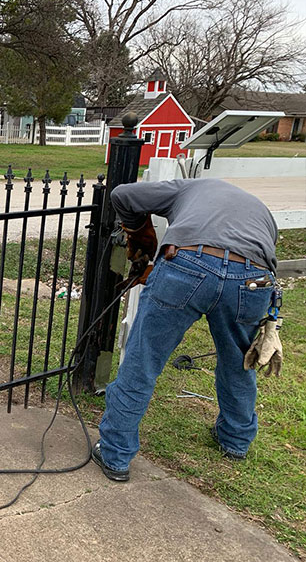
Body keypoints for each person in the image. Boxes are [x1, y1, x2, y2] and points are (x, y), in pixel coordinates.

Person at [92, 178, 279, 482]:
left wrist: (139, 232)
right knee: (238, 362)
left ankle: (115, 454)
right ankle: (234, 441)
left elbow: (122, 195)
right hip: (252, 280)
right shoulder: (261, 212)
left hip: (188, 264)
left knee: (144, 359)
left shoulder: (187, 187)